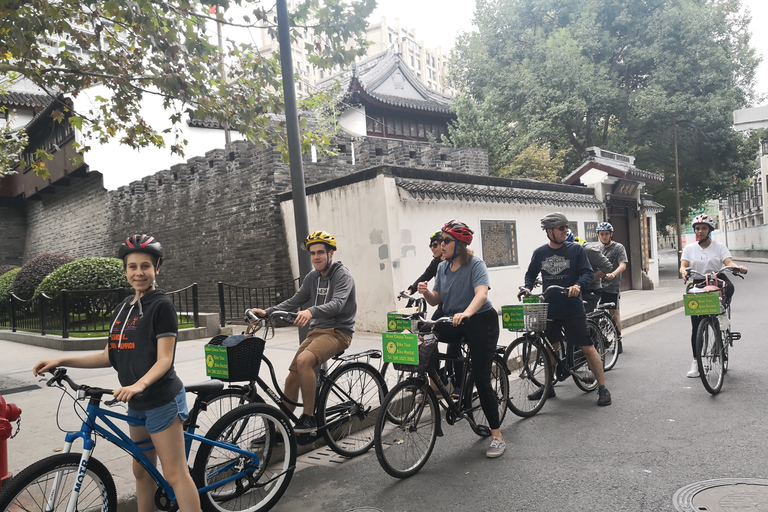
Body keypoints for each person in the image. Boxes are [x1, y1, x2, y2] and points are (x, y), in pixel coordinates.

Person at [33, 234, 200, 512]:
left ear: (156, 269)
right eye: (132, 266)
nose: (139, 273)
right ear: (125, 270)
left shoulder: (161, 305)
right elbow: (108, 356)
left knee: (175, 473)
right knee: (141, 469)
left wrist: (138, 384)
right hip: (136, 403)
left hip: (161, 400)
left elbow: (165, 360)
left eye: (145, 266)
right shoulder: (123, 308)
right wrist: (61, 359)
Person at [251, 230, 356, 433]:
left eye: (320, 252)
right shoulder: (313, 277)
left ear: (331, 253)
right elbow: (295, 300)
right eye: (312, 253)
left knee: (304, 361)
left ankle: (309, 418)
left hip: (338, 332)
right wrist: (267, 312)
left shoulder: (342, 276)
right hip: (317, 332)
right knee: (292, 378)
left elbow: (338, 304)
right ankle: (279, 432)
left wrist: (310, 311)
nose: (316, 257)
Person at [417, 220, 506, 458]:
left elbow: (482, 293)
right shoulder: (442, 267)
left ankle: (497, 436)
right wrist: (426, 293)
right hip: (454, 318)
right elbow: (437, 300)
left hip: (480, 320)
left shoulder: (475, 264)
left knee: (481, 375)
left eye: (446, 241)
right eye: (441, 240)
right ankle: (441, 384)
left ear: (460, 244)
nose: (441, 244)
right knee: (425, 335)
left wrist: (467, 312)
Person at [519, 212, 612, 407]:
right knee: (550, 348)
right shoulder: (540, 253)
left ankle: (603, 387)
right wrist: (527, 288)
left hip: (572, 307)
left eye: (566, 227)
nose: (566, 231)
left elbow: (587, 273)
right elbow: (530, 273)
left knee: (587, 347)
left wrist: (578, 285)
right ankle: (548, 387)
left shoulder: (576, 250)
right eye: (562, 228)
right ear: (549, 231)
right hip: (549, 308)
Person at [679, 214, 747, 378]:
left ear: (710, 230)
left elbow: (728, 262)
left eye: (703, 228)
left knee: (729, 287)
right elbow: (684, 266)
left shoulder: (719, 247)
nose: (700, 231)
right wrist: (683, 272)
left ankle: (721, 313)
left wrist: (736, 267)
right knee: (696, 326)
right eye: (697, 228)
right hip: (698, 282)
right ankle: (696, 362)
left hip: (717, 279)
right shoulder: (690, 248)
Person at [596, 222, 628, 352]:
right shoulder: (597, 249)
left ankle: (618, 339)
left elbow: (623, 265)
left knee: (614, 313)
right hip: (598, 286)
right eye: (602, 234)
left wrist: (614, 274)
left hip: (612, 286)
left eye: (606, 234)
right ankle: (601, 338)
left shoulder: (618, 247)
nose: (604, 237)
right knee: (595, 313)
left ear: (611, 234)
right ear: (598, 235)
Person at [567, 230, 612, 314]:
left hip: (590, 289)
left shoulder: (588, 250)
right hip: (572, 289)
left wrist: (587, 280)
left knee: (582, 314)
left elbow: (607, 266)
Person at [406, 230, 444, 297]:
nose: (432, 248)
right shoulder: (435, 263)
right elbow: (424, 277)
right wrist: (410, 290)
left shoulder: (451, 261)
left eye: (435, 245)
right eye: (430, 246)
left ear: (443, 245)